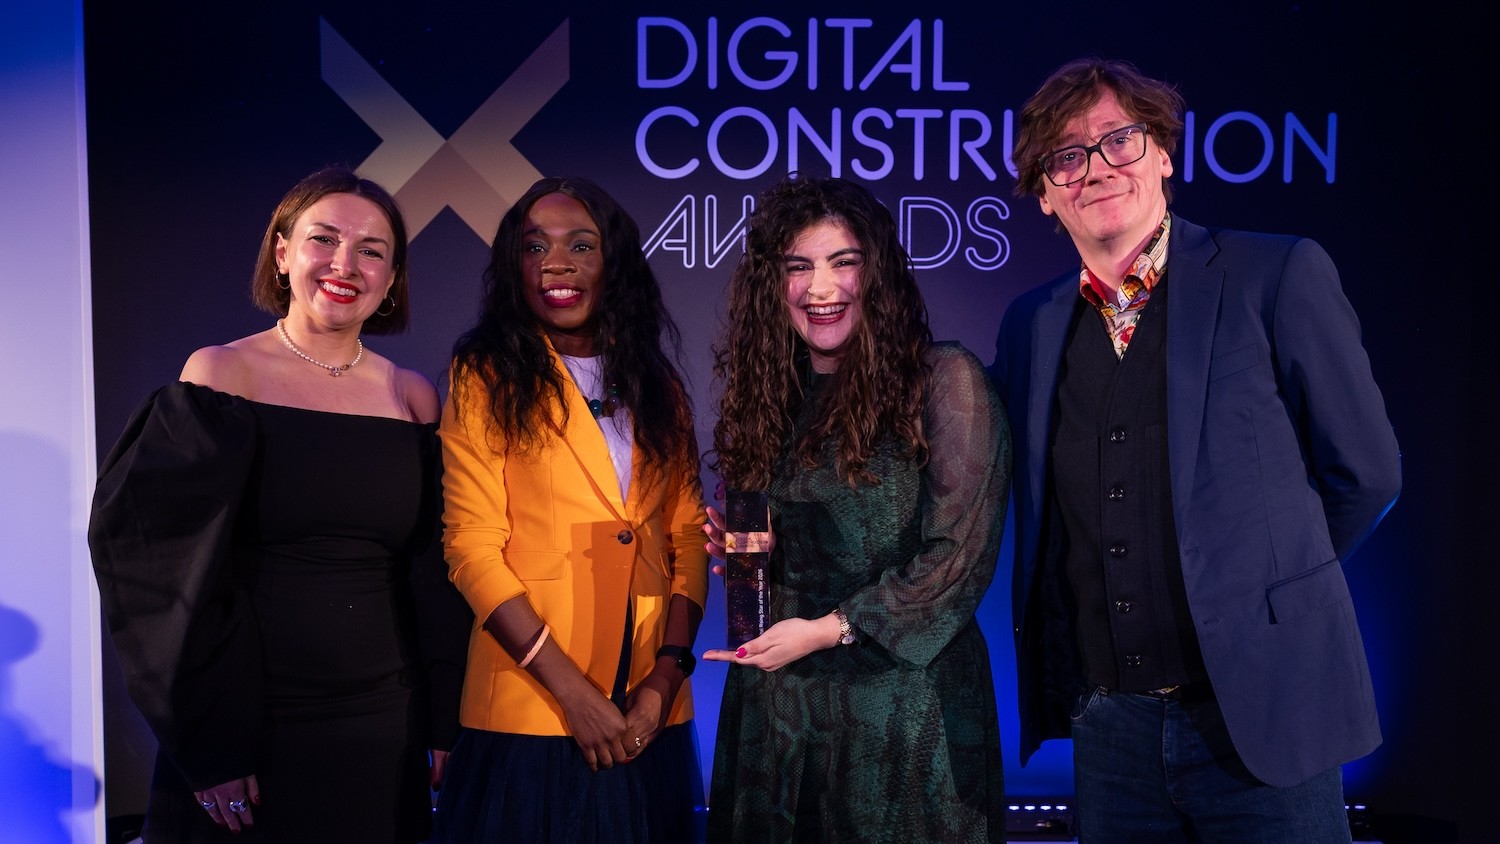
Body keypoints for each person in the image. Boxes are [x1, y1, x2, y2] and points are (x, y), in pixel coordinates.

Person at [990, 57, 1402, 842]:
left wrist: (1267, 596)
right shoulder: (1030, 326)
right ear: (1044, 193)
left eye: (1120, 140)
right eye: (1067, 157)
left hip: (1263, 717)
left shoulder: (1274, 274)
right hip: (1110, 733)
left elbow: (1368, 474)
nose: (1097, 168)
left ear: (1165, 154)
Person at [88, 165, 469, 842]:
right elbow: (158, 574)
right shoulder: (220, 376)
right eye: (324, 240)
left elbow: (431, 575)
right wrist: (208, 746)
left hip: (383, 730)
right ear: (283, 250)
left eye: (372, 251)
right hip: (248, 732)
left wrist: (443, 719)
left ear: (392, 278)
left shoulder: (413, 397)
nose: (344, 265)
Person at [702, 173, 1011, 843]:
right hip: (783, 712)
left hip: (903, 715)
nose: (821, 288)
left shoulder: (943, 379)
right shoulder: (767, 398)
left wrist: (828, 628)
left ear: (878, 274)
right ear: (770, 286)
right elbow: (802, 545)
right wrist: (753, 555)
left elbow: (957, 559)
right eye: (799, 267)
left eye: (844, 263)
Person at [433, 177, 709, 843]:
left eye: (580, 245)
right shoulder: (483, 373)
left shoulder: (658, 385)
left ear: (611, 263)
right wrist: (575, 695)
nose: (556, 262)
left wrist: (664, 682)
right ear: (513, 267)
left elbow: (689, 539)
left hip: (650, 710)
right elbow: (471, 547)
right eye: (535, 246)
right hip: (535, 709)